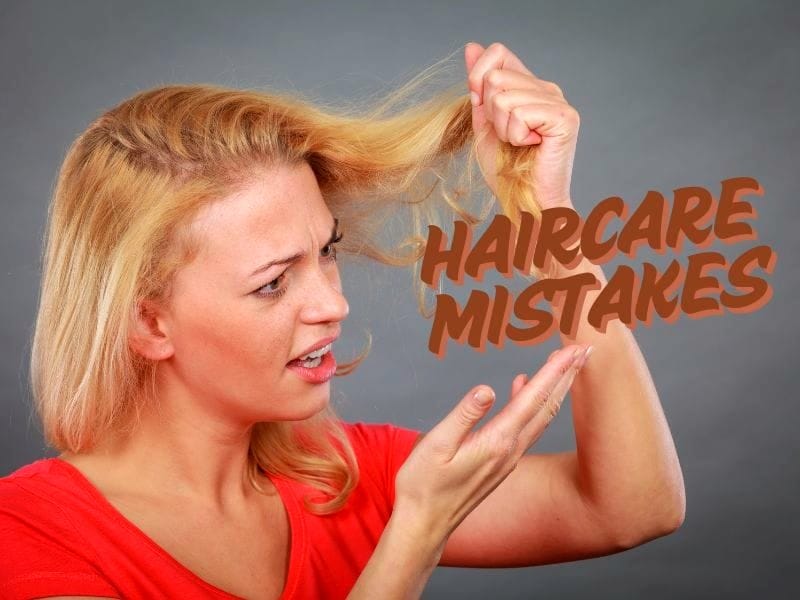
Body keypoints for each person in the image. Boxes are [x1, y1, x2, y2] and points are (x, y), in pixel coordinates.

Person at [0, 41, 685, 599]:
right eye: (272, 284)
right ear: (149, 325)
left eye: (325, 253)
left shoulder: (345, 479)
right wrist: (416, 533)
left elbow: (632, 506)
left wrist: (547, 223)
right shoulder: (31, 535)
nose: (333, 303)